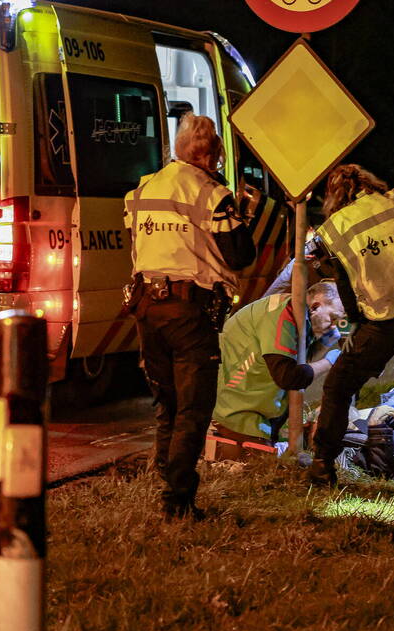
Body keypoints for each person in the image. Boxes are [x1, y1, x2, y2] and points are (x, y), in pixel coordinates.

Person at [307, 112, 394, 502]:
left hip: (383, 322)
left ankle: (323, 468)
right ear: (370, 184)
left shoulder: (335, 228)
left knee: (337, 387)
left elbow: (346, 286)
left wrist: (354, 328)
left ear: (336, 196)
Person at [123, 113, 256, 520]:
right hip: (189, 311)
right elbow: (239, 256)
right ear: (213, 155)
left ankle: (162, 476)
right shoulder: (213, 195)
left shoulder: (142, 189)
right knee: (193, 408)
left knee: (166, 402)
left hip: (148, 304)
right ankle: (177, 501)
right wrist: (244, 217)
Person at [210, 281, 346, 459]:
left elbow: (298, 362)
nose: (334, 325)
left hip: (250, 411)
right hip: (235, 414)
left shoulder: (297, 313)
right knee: (258, 468)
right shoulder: (282, 315)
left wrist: (322, 344)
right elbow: (289, 377)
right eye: (333, 318)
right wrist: (330, 361)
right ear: (315, 306)